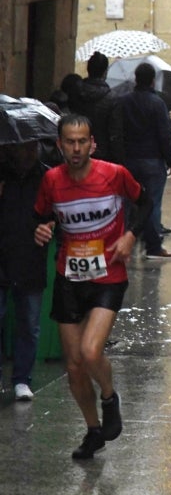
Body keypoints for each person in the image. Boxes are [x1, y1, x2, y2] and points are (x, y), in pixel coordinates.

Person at [34, 114, 153, 459]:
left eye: (82, 141)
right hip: (69, 277)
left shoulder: (114, 174)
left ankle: (110, 397)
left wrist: (130, 235)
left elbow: (144, 202)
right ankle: (93, 430)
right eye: (69, 142)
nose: (76, 147)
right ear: (60, 145)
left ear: (92, 143)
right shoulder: (52, 181)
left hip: (107, 275)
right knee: (73, 366)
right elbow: (40, 216)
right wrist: (41, 229)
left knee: (89, 352)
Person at [0, 141, 50, 401]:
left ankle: (22, 378)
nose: (30, 152)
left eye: (34, 146)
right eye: (24, 147)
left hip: (30, 258)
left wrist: (50, 225)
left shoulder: (47, 177)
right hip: (3, 254)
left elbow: (58, 214)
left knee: (29, 323)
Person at [118, 63, 171, 259]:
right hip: (152, 160)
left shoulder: (123, 102)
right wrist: (169, 159)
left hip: (129, 160)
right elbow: (164, 134)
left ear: (135, 78)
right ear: (152, 80)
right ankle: (153, 245)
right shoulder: (158, 103)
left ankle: (125, 240)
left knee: (128, 202)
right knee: (152, 203)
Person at [70, 52, 123, 163]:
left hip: (75, 151)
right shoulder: (112, 99)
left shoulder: (74, 93)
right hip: (102, 155)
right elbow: (114, 133)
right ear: (105, 72)